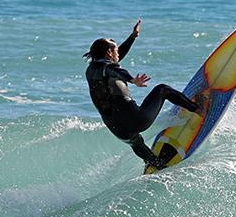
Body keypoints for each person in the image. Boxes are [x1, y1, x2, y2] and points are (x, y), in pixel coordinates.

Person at [83, 19, 203, 169]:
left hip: (117, 130)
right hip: (137, 120)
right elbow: (114, 69)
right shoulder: (108, 68)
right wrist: (132, 80)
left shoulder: (91, 70)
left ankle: (156, 163)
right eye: (115, 50)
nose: (118, 53)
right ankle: (197, 109)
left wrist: (133, 37)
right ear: (108, 53)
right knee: (163, 89)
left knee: (135, 141)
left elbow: (114, 62)